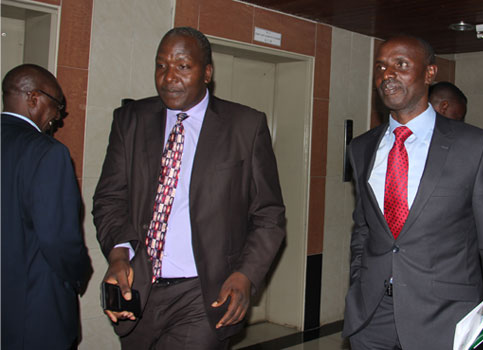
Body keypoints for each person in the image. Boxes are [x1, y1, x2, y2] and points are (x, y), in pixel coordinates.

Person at [92, 27, 286, 349]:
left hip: (204, 293)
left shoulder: (245, 127)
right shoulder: (130, 121)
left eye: (182, 67)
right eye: (161, 65)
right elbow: (110, 198)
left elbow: (269, 214)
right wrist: (118, 254)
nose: (169, 78)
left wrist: (245, 275)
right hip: (139, 287)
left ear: (207, 72)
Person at [342, 36, 483, 349]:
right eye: (381, 67)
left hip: (444, 319)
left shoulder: (475, 146)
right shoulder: (362, 148)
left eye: (401, 65)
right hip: (371, 318)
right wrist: (359, 281)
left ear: (429, 73)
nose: (387, 74)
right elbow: (364, 229)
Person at [1, 64, 91, 349]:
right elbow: (59, 238)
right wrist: (81, 274)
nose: (59, 118)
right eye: (58, 106)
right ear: (34, 98)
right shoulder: (48, 153)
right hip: (34, 316)